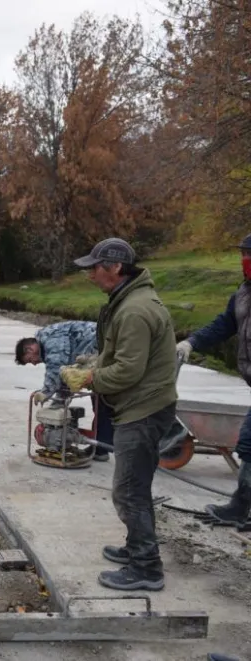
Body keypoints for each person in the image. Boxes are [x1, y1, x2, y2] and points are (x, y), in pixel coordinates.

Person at [59, 238, 178, 591]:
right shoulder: (126, 301)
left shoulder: (135, 311)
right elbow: (120, 356)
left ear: (114, 268)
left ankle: (147, 568)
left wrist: (91, 378)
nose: (89, 275)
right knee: (134, 486)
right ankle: (135, 547)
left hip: (143, 409)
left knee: (129, 491)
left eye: (94, 268)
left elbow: (128, 371)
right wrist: (93, 363)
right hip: (142, 405)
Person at [176, 233, 251, 526]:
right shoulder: (243, 293)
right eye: (244, 255)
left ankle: (239, 507)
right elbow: (224, 325)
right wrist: (192, 342)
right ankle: (241, 506)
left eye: (249, 255)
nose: (245, 261)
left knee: (248, 443)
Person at [15, 321, 110, 460]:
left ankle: (104, 447)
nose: (34, 363)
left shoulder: (51, 339)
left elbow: (55, 368)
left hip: (104, 344)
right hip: (98, 351)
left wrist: (45, 392)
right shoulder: (50, 340)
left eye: (30, 360)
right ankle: (101, 448)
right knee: (100, 400)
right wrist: (57, 404)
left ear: (29, 349)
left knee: (104, 402)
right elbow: (64, 377)